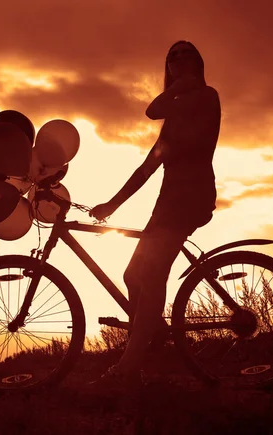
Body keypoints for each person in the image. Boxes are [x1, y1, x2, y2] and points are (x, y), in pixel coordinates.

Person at [88, 40, 221, 385]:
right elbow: (147, 167)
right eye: (171, 56)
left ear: (197, 61)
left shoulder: (206, 97)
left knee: (151, 277)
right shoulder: (174, 117)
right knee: (133, 275)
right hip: (168, 202)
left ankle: (127, 369)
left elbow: (151, 109)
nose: (177, 59)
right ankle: (155, 341)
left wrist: (181, 85)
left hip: (190, 198)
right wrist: (111, 205)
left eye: (185, 53)